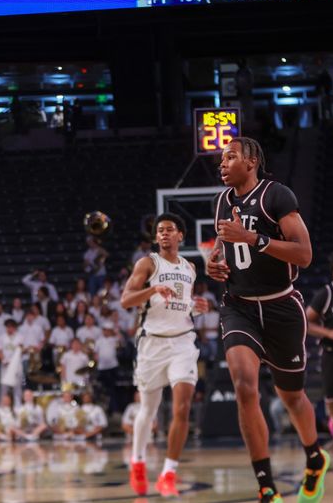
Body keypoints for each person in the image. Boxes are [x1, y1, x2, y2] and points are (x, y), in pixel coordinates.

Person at [207, 137, 329, 503]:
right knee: (244, 385)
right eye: (221, 159)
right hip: (239, 306)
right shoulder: (222, 201)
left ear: (251, 161)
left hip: (280, 306)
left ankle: (314, 456)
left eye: (230, 157)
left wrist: (254, 238)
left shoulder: (276, 196)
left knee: (291, 396)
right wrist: (214, 263)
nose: (222, 164)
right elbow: (222, 244)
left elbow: (304, 254)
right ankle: (267, 487)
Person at [121, 213, 208, 497]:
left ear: (181, 235)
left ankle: (168, 473)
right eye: (160, 231)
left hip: (183, 343)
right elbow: (125, 301)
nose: (164, 234)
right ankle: (138, 461)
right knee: (148, 410)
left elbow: (180, 305)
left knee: (182, 406)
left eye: (170, 230)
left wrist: (196, 306)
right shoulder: (148, 263)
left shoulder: (190, 268)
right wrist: (152, 289)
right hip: (152, 345)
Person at [306, 254, 333, 439]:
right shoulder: (326, 295)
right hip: (331, 350)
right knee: (332, 396)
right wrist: (329, 333)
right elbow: (306, 323)